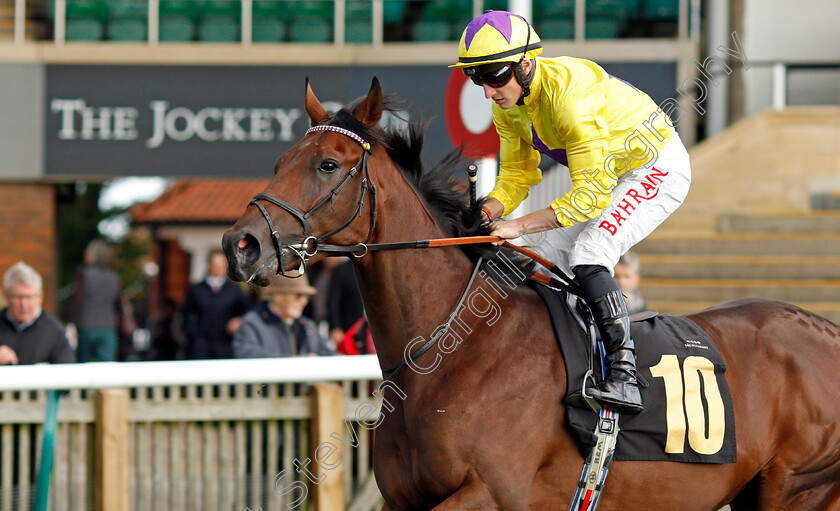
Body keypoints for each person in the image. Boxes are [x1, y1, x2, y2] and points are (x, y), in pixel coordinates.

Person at [452, 11, 691, 413]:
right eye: (477, 79)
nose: (488, 91)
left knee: (590, 252)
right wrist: (489, 210)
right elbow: (516, 174)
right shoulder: (508, 104)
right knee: (548, 261)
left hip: (656, 167)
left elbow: (592, 196)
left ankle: (624, 375)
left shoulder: (570, 97)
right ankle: (574, 363)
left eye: (494, 76)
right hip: (609, 175)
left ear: (526, 65)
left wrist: (517, 225)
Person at [232, 275, 333, 358]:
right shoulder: (252, 323)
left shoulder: (307, 325)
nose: (304, 301)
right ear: (277, 296)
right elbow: (246, 355)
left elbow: (328, 355)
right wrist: (296, 363)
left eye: (306, 296)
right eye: (298, 295)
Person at [0, 261, 75, 365]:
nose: (23, 304)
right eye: (18, 297)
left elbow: (67, 372)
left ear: (40, 297)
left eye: (29, 297)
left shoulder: (55, 332)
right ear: (7, 296)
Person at [181, 250, 251, 359]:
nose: (218, 268)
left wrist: (238, 321)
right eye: (215, 265)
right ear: (209, 266)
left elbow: (247, 311)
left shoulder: (234, 290)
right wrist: (194, 335)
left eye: (221, 265)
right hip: (200, 347)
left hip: (226, 345)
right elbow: (186, 314)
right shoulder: (196, 290)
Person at [69, 239, 123, 362]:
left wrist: (71, 322)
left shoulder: (84, 274)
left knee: (83, 367)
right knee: (106, 372)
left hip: (86, 326)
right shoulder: (113, 277)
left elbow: (78, 300)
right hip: (108, 327)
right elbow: (118, 303)